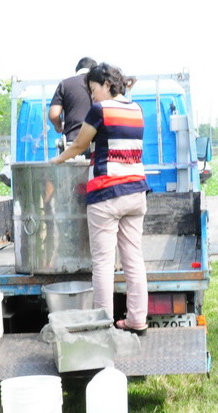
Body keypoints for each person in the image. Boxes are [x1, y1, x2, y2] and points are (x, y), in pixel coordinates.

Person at [50, 63, 150, 335]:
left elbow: (79, 145)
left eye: (93, 89)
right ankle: (137, 320)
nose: (92, 96)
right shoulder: (137, 109)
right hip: (136, 192)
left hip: (107, 193)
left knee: (104, 263)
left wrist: (57, 160)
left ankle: (103, 323)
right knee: (133, 259)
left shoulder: (100, 110)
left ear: (107, 84)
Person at [48, 57, 98, 146]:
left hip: (73, 140)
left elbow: (54, 114)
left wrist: (59, 126)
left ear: (77, 70)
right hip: (97, 141)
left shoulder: (65, 84)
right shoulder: (101, 85)